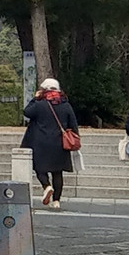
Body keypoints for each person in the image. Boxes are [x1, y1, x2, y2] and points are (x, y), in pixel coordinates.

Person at [21, 77, 79, 210]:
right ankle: (56, 201)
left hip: (40, 142)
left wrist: (35, 98)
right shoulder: (65, 104)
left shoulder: (40, 104)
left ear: (44, 90)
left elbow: (27, 112)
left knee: (39, 168)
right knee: (57, 173)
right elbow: (73, 124)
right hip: (60, 143)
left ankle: (46, 186)